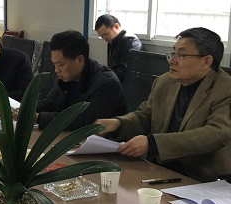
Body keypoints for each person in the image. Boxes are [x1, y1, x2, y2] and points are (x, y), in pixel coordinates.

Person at [97, 27, 231, 182]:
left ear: (206, 61)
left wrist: (153, 143)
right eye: (172, 53)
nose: (172, 60)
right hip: (160, 169)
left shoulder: (225, 88)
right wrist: (117, 124)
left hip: (201, 178)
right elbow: (145, 116)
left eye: (181, 55)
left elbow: (216, 134)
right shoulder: (165, 81)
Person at [36, 30, 126, 130]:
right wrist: (27, 109)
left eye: (60, 65)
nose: (56, 70)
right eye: (54, 64)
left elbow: (84, 121)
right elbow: (49, 104)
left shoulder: (107, 83)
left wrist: (38, 118)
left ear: (80, 60)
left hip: (102, 138)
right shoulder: (65, 77)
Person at [94, 14, 142, 83]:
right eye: (102, 36)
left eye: (106, 34)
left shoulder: (130, 41)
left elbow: (126, 70)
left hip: (127, 83)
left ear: (116, 26)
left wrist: (105, 76)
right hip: (116, 80)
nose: (105, 38)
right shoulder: (113, 41)